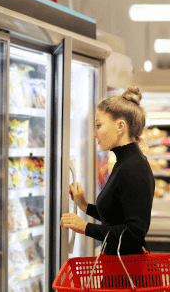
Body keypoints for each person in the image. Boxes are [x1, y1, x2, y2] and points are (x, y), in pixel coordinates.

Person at [60, 85, 154, 255]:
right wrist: (85, 206)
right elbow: (116, 217)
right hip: (119, 265)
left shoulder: (133, 168)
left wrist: (85, 227)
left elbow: (134, 234)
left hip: (129, 269)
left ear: (120, 126)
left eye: (99, 125)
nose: (94, 134)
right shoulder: (124, 162)